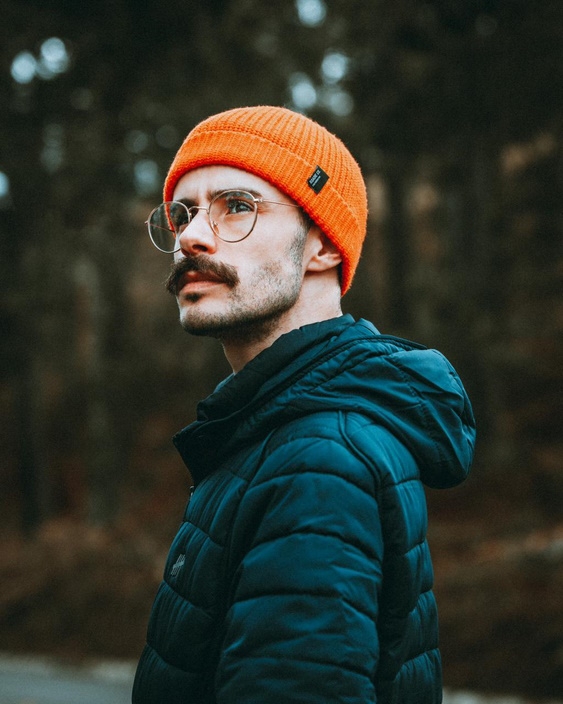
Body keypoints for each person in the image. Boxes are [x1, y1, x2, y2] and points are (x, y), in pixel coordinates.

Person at [132, 105, 476, 704]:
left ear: (321, 245)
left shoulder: (318, 462)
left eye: (236, 206)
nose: (189, 236)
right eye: (183, 213)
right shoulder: (267, 433)